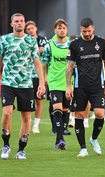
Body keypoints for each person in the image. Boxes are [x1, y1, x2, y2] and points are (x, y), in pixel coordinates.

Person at [0, 13, 45, 160]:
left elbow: (37, 62)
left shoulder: (31, 41)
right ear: (11, 24)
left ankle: (21, 150)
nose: (19, 23)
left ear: (24, 23)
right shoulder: (4, 40)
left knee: (26, 118)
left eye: (22, 21)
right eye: (16, 21)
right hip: (8, 83)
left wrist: (41, 83)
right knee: (7, 113)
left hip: (26, 84)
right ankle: (6, 145)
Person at [66, 18, 105, 157]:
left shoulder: (101, 42)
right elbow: (69, 67)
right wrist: (68, 86)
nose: (87, 33)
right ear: (81, 29)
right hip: (80, 86)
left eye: (89, 31)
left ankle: (94, 138)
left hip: (97, 86)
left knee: (100, 114)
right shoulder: (74, 44)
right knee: (79, 115)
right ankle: (83, 148)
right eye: (84, 31)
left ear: (93, 28)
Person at [42, 18, 71, 150]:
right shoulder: (49, 45)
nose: (62, 30)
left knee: (65, 110)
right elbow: (43, 64)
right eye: (59, 28)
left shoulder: (72, 45)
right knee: (57, 109)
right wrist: (45, 78)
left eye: (64, 28)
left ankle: (62, 132)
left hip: (68, 83)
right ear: (55, 30)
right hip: (54, 82)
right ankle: (59, 140)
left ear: (67, 30)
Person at [25, 20, 48, 134]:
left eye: (32, 28)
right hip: (27, 75)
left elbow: (47, 52)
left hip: (39, 75)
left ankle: (36, 125)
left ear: (36, 28)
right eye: (28, 29)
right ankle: (28, 122)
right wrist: (39, 50)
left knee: (39, 100)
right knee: (29, 101)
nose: (30, 30)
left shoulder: (43, 40)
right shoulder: (24, 40)